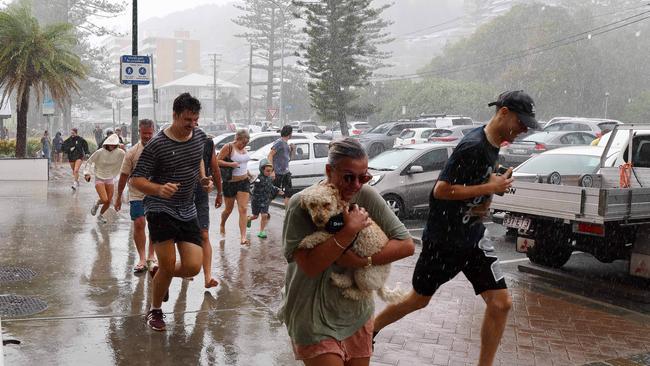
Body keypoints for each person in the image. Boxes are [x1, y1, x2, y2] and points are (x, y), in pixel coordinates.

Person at [373, 90, 539, 366]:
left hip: (473, 238)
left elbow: (476, 182)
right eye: (520, 123)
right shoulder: (472, 145)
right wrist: (490, 187)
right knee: (418, 300)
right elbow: (441, 190)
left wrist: (489, 191)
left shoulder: (494, 144)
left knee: (501, 304)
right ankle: (371, 329)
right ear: (504, 112)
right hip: (444, 241)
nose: (522, 130)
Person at [279, 138, 415, 366]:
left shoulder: (367, 196)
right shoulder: (302, 204)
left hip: (355, 314)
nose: (356, 185)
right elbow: (310, 266)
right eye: (348, 177)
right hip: (312, 313)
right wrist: (348, 231)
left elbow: (406, 245)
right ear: (329, 171)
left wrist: (363, 261)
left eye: (363, 177)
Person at [131, 93, 213, 331]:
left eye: (195, 119)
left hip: (187, 208)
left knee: (192, 267)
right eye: (187, 119)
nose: (192, 125)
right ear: (175, 115)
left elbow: (197, 157)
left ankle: (158, 274)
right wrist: (158, 188)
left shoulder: (198, 136)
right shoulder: (157, 145)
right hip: (160, 208)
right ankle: (155, 311)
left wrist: (203, 179)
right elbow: (137, 180)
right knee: (168, 263)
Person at [115, 119, 158, 273]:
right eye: (144, 133)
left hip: (155, 193)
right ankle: (141, 257)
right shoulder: (132, 152)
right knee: (139, 223)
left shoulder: (160, 149)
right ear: (139, 132)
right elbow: (123, 175)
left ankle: (151, 254)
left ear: (153, 132)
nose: (147, 136)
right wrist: (118, 196)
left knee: (154, 224)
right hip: (136, 194)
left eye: (149, 133)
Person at [191, 121, 223, 288]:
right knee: (185, 236)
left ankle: (207, 277)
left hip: (201, 194)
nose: (193, 126)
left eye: (195, 122)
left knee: (204, 234)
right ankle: (186, 268)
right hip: (182, 194)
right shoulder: (176, 141)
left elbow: (215, 168)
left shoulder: (207, 142)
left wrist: (219, 192)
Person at [217, 129, 252, 245]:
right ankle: (222, 224)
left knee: (243, 209)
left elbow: (243, 163)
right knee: (228, 210)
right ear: (237, 139)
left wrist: (248, 172)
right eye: (243, 143)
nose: (244, 145)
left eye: (246, 143)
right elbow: (217, 161)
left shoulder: (244, 149)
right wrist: (230, 164)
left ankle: (243, 237)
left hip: (244, 182)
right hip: (230, 183)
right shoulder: (228, 147)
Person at [83, 134, 126, 224]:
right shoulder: (100, 152)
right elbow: (89, 162)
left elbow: (128, 161)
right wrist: (87, 173)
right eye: (110, 144)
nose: (112, 146)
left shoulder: (120, 153)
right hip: (99, 177)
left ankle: (100, 215)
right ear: (106, 143)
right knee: (105, 199)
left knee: (108, 201)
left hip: (110, 177)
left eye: (114, 144)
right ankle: (97, 203)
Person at [247, 158, 284, 239]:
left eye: (270, 171)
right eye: (267, 171)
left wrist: (278, 190)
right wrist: (249, 175)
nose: (269, 172)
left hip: (265, 200)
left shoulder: (270, 179)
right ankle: (249, 219)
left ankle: (261, 231)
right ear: (261, 169)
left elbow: (271, 186)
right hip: (256, 200)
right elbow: (251, 181)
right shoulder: (257, 178)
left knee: (264, 215)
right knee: (255, 216)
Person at [268, 125, 294, 206]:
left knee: (288, 193)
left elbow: (289, 159)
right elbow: (270, 155)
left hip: (286, 172)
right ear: (289, 133)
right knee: (272, 194)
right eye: (291, 132)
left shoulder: (286, 144)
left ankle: (287, 213)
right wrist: (272, 171)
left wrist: (292, 149)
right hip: (278, 173)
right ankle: (264, 210)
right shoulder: (279, 142)